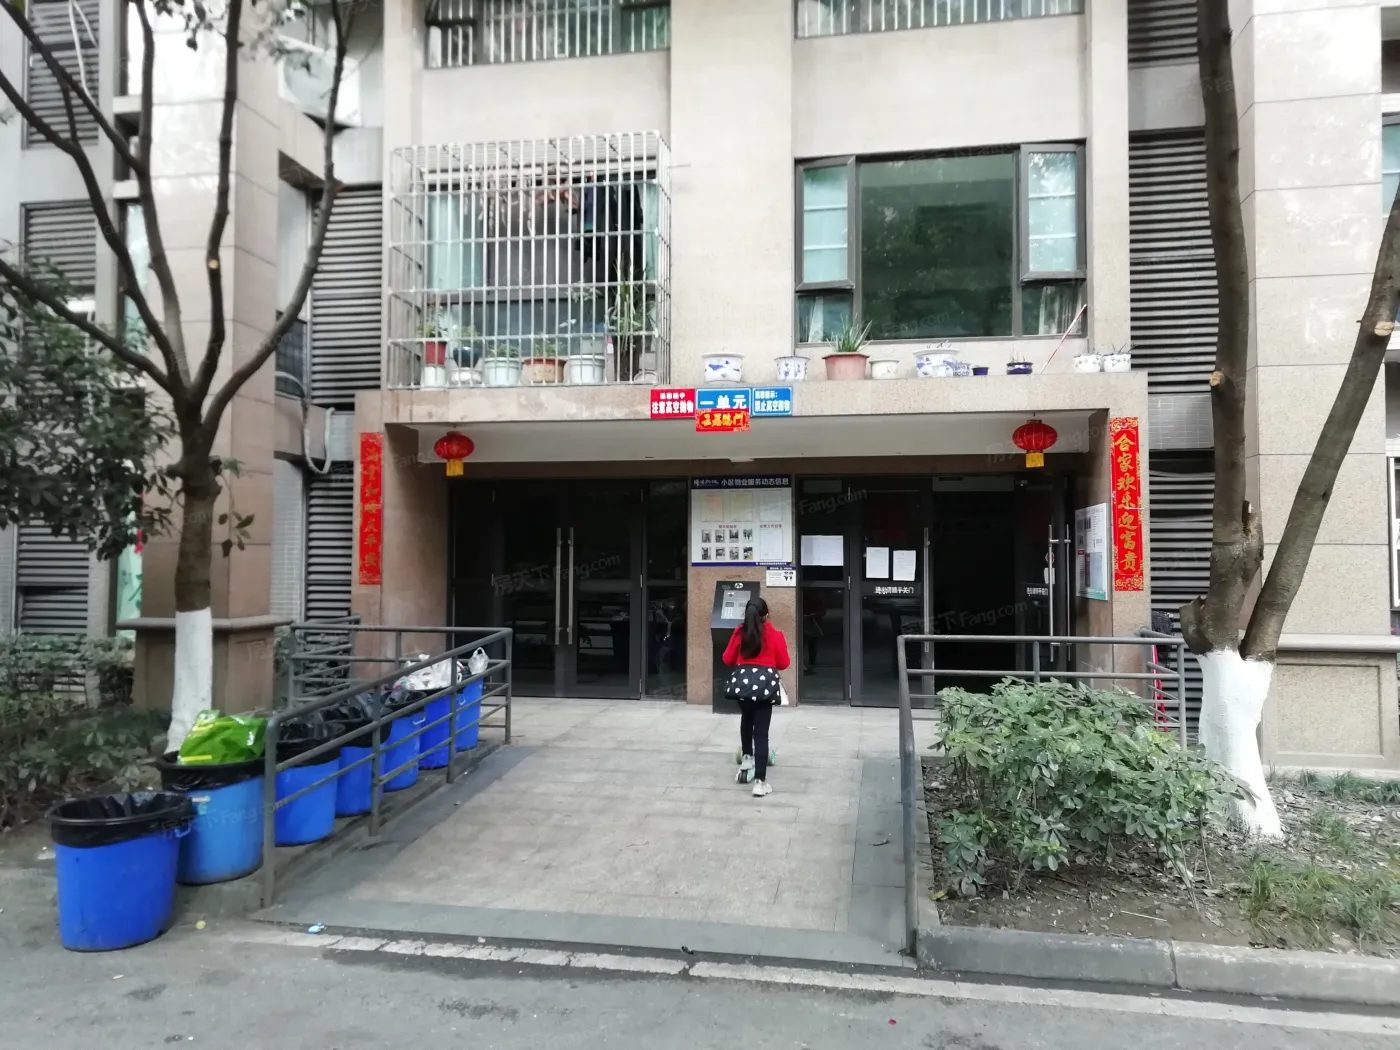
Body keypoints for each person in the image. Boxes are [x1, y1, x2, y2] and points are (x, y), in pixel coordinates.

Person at [721, 597, 790, 797]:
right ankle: (760, 782)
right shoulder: (775, 635)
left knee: (746, 720)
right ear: (766, 615)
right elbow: (784, 663)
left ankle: (747, 758)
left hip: (743, 688)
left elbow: (727, 658)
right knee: (761, 734)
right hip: (764, 689)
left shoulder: (739, 632)